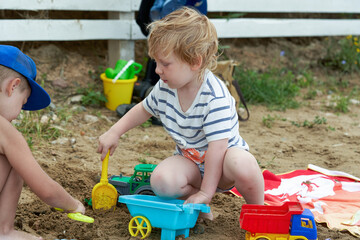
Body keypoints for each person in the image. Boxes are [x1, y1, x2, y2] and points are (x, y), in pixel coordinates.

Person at [98, 7, 264, 212]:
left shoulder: (215, 98)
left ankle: (259, 210)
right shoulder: (166, 86)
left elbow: (217, 150)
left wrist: (207, 192)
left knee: (243, 164)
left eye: (165, 64)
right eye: (156, 62)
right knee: (161, 181)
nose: (158, 70)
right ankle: (196, 206)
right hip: (191, 164)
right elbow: (143, 109)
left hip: (223, 166)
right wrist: (114, 132)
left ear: (195, 62)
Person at [0, 45, 85, 240]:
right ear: (13, 86)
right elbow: (46, 190)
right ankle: (3, 231)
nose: (20, 111)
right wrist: (74, 205)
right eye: (23, 102)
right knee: (17, 162)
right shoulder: (5, 131)